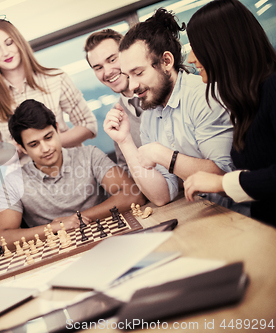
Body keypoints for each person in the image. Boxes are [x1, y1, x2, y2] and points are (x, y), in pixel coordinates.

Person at [103, 8, 234, 206]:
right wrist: (125, 141)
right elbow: (161, 196)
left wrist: (164, 156)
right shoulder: (150, 115)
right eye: (128, 76)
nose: (132, 86)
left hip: (242, 218)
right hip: (205, 215)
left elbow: (225, 178)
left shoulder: (204, 96)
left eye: (138, 73)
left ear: (166, 61)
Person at [0, 99, 144, 249]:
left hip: (109, 243)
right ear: (22, 148)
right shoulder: (14, 181)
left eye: (48, 137)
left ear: (57, 128)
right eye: (34, 144)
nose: (45, 148)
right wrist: (55, 227)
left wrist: (76, 219)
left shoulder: (89, 155)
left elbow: (134, 195)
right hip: (55, 255)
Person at [183, 0, 276, 225]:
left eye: (196, 47)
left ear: (222, 46)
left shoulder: (273, 87)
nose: (190, 59)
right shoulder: (246, 100)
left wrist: (222, 183)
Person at [0, 17, 97, 163]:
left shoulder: (56, 78)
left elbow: (88, 125)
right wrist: (20, 149)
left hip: (74, 168)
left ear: (19, 42)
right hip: (31, 181)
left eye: (9, 43)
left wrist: (50, 142)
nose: (6, 52)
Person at [84, 28, 144, 173]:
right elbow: (128, 171)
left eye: (112, 59)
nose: (108, 71)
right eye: (98, 68)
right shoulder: (116, 115)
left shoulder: (162, 91)